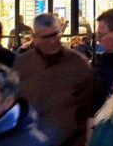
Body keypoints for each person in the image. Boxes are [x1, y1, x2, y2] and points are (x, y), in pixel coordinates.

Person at [13, 13, 94, 146]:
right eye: (46, 37)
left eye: (55, 35)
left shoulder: (77, 63)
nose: (52, 41)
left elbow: (89, 107)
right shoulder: (23, 64)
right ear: (35, 38)